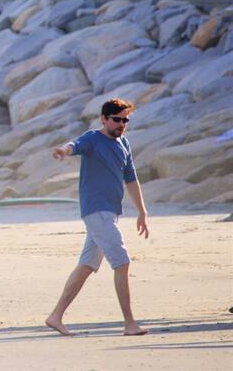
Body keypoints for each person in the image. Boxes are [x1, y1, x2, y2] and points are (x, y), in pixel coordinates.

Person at [45, 98, 150, 337]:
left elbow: (131, 179)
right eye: (116, 120)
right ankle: (129, 324)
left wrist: (142, 212)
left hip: (110, 212)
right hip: (96, 210)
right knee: (122, 262)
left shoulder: (124, 144)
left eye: (125, 120)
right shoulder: (93, 138)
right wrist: (63, 150)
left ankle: (55, 316)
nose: (121, 124)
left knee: (87, 265)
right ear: (104, 119)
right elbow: (75, 145)